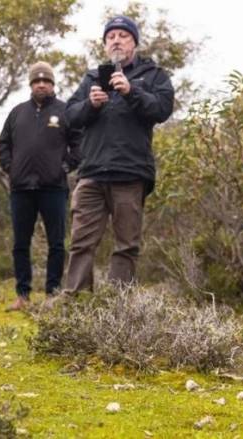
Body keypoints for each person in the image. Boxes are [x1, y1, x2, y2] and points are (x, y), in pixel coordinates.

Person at [63, 15, 175, 293]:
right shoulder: (91, 78)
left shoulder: (153, 76)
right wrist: (90, 105)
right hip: (91, 173)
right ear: (104, 45)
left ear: (134, 43)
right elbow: (69, 116)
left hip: (130, 172)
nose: (116, 40)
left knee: (126, 245)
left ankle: (118, 308)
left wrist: (131, 91)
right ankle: (75, 304)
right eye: (110, 36)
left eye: (123, 35)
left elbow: (161, 109)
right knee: (81, 242)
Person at [0, 62, 82, 311]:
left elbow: (79, 144)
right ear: (31, 85)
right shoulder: (17, 112)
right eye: (36, 81)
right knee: (20, 243)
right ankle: (22, 295)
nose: (41, 84)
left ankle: (52, 294)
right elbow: (3, 143)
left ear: (53, 84)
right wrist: (9, 167)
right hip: (21, 188)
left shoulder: (65, 111)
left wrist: (64, 167)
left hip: (53, 187)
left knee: (57, 243)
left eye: (46, 81)